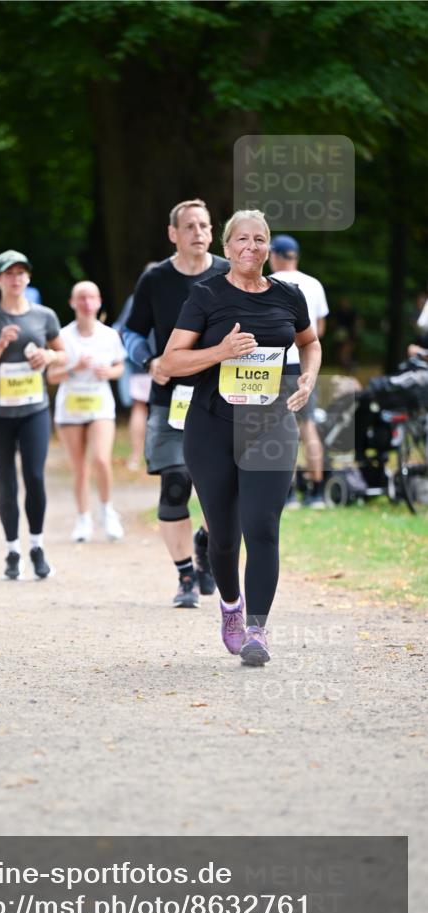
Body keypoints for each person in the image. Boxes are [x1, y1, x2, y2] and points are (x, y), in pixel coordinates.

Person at [162, 209, 321, 665]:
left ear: (268, 247)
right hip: (212, 426)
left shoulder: (289, 296)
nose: (251, 247)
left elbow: (309, 342)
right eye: (242, 239)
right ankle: (231, 605)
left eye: (259, 239)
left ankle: (257, 630)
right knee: (224, 537)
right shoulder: (206, 294)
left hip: (271, 425)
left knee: (262, 527)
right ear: (227, 247)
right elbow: (171, 361)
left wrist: (308, 377)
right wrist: (220, 351)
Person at [123, 199, 228, 608]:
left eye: (204, 225)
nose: (198, 233)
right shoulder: (155, 279)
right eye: (189, 226)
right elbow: (131, 332)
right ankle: (185, 576)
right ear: (173, 234)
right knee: (175, 485)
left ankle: (204, 542)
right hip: (171, 399)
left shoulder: (228, 273)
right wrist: (149, 362)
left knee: (222, 493)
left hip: (222, 398)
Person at [0, 250, 66, 580]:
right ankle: (12, 551)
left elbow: (64, 355)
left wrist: (48, 356)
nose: (15, 279)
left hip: (34, 410)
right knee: (7, 483)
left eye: (21, 273)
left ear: (28, 278)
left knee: (35, 477)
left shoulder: (44, 315)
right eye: (9, 273)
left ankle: (37, 547)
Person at [49, 281, 126, 542]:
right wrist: (75, 368)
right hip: (70, 407)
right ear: (72, 303)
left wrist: (108, 372)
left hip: (100, 405)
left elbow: (120, 367)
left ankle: (107, 511)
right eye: (81, 298)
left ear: (99, 301)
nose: (86, 303)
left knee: (101, 460)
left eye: (91, 297)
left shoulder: (109, 335)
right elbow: (51, 375)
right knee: (79, 467)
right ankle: (83, 518)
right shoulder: (62, 336)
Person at [269, 235, 329, 509]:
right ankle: (317, 492)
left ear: (274, 255)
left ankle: (289, 492)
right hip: (306, 365)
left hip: (278, 363)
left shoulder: (268, 283)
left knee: (284, 428)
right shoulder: (313, 284)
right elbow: (318, 330)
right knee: (308, 426)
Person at [112, 264, 157, 472]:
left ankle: (136, 457)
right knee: (166, 409)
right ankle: (160, 456)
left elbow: (121, 331)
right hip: (170, 362)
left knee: (139, 408)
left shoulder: (135, 300)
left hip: (141, 362)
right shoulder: (175, 294)